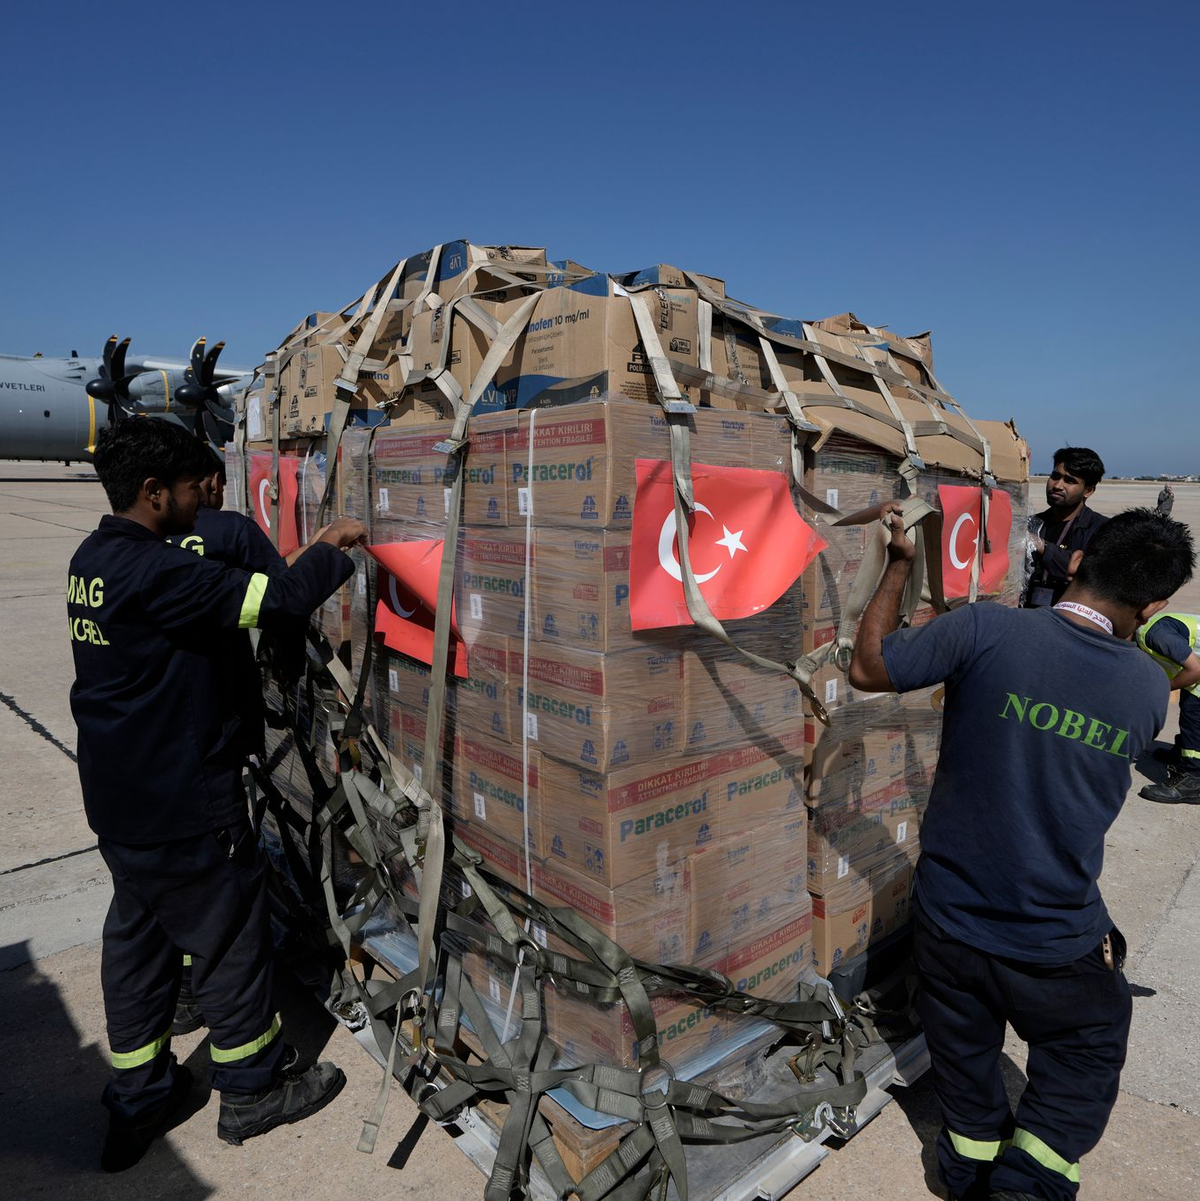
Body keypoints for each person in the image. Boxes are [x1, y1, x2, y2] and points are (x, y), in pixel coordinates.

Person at [850, 504, 1194, 1201]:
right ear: (1154, 603)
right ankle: (1030, 1178)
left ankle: (967, 1162)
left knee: (966, 1053)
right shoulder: (1144, 690)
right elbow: (1172, 673)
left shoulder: (984, 628)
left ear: (1077, 559)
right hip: (1051, 936)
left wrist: (899, 564)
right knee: (1088, 1042)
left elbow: (867, 667)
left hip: (948, 921)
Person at [69, 418, 367, 1170]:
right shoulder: (162, 574)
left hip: (119, 798)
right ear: (151, 492)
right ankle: (253, 1087)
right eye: (186, 492)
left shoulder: (93, 559)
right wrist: (334, 547)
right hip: (183, 797)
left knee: (138, 940)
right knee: (231, 933)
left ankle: (140, 1095)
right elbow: (285, 600)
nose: (200, 507)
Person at [1024, 447, 1107, 607]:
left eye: (1070, 481)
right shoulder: (1031, 524)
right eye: (1055, 476)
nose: (1057, 485)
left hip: (1070, 621)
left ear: (1088, 491)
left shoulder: (1103, 529)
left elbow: (1090, 575)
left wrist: (1042, 547)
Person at [1136, 612, 1200, 802]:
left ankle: (1193, 780)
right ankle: (1184, 753)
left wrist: (1164, 689)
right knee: (1189, 702)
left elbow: (1195, 670)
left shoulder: (1155, 635)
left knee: (1194, 712)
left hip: (1198, 668)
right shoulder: (1149, 632)